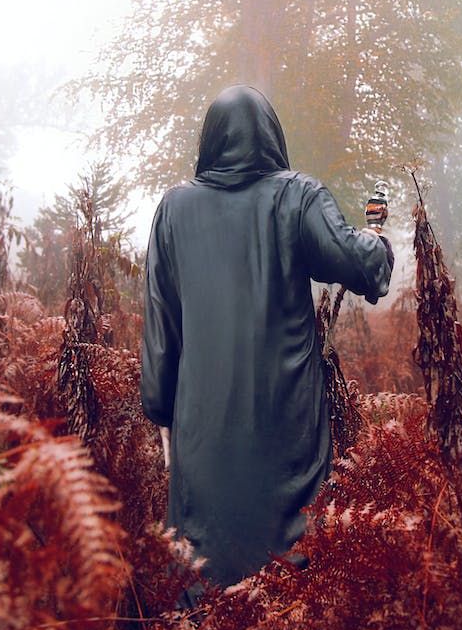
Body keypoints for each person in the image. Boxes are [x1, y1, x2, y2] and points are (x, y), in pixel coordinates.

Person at [140, 84, 393, 589]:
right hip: (287, 424)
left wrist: (162, 410)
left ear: (210, 140)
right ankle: (290, 625)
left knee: (202, 573)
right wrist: (377, 238)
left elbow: (161, 327)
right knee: (292, 569)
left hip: (202, 428)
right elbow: (360, 264)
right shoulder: (297, 196)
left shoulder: (173, 209)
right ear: (272, 136)